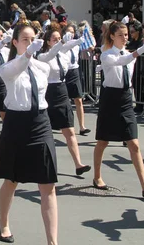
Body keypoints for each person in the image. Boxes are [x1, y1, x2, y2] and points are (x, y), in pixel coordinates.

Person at [0, 24, 57, 244]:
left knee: (48, 185)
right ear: (15, 42)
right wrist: (28, 54)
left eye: (32, 39)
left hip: (40, 122)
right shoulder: (8, 67)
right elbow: (16, 69)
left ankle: (52, 241)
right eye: (25, 40)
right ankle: (4, 222)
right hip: (16, 123)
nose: (30, 43)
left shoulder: (43, 67)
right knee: (11, 179)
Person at [93, 22, 144, 197]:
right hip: (110, 99)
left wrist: (140, 51)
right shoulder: (106, 55)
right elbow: (120, 61)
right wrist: (139, 51)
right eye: (121, 35)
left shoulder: (129, 55)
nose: (125, 38)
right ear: (112, 36)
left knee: (134, 143)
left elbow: (127, 59)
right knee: (103, 141)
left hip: (125, 98)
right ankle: (97, 176)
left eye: (126, 35)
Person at [37, 29, 90, 177]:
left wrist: (78, 40)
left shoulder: (63, 54)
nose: (58, 41)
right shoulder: (42, 56)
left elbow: (65, 48)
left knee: (70, 131)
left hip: (62, 91)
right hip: (48, 93)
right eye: (54, 39)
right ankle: (40, 165)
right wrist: (62, 43)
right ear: (48, 41)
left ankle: (78, 164)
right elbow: (51, 54)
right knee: (43, 133)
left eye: (59, 38)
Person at [63, 24, 91, 135]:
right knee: (65, 102)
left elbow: (88, 46)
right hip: (64, 72)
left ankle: (82, 126)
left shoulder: (77, 44)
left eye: (72, 32)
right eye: (68, 32)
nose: (70, 34)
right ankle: (66, 125)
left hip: (74, 72)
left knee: (78, 99)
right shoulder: (61, 45)